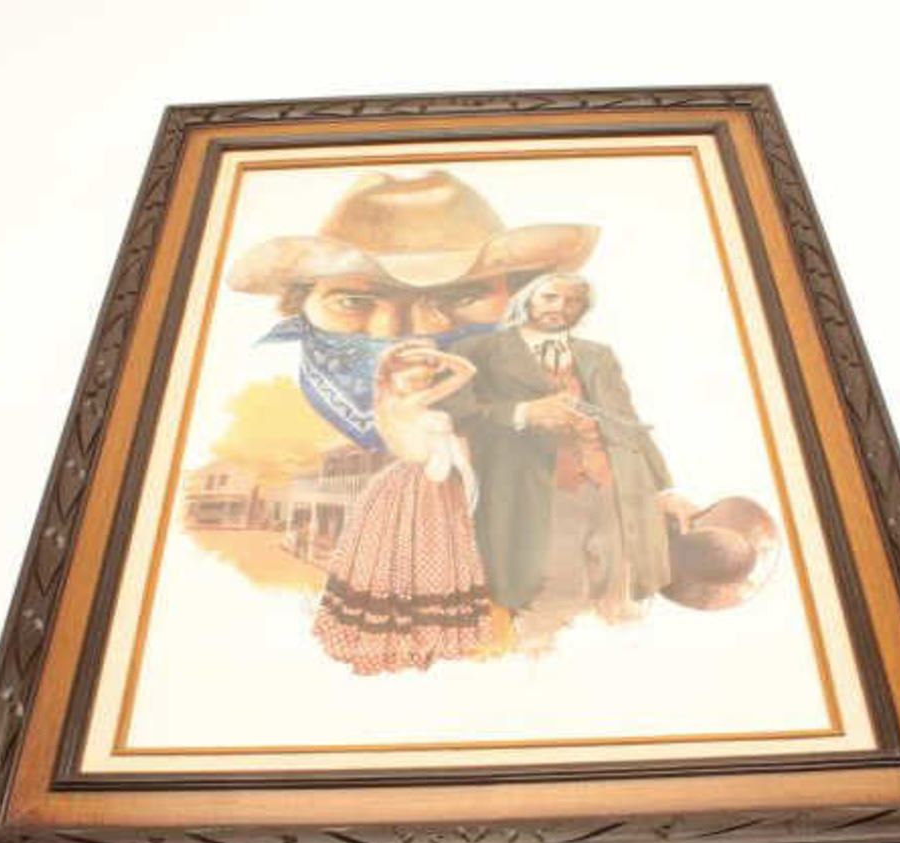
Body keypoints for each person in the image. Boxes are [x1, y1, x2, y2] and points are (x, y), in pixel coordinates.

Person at [226, 170, 598, 449]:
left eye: (459, 298)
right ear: (300, 304)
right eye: (353, 302)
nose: (406, 333)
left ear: (517, 297)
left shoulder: (563, 393)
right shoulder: (263, 427)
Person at [446, 273, 698, 649]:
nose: (560, 307)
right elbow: (453, 411)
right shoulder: (479, 350)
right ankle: (539, 660)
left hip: (612, 489)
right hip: (532, 491)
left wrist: (664, 490)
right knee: (548, 593)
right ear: (527, 300)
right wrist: (522, 413)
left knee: (618, 593)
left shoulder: (598, 355)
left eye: (572, 301)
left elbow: (627, 421)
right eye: (549, 297)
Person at [312, 341, 491, 675]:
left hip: (425, 482)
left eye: (425, 381)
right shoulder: (401, 404)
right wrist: (436, 359)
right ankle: (410, 635)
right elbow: (467, 372)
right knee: (407, 553)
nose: (420, 386)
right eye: (412, 380)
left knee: (429, 552)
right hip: (414, 484)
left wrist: (431, 358)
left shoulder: (394, 401)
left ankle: (421, 633)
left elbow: (466, 373)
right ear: (390, 377)